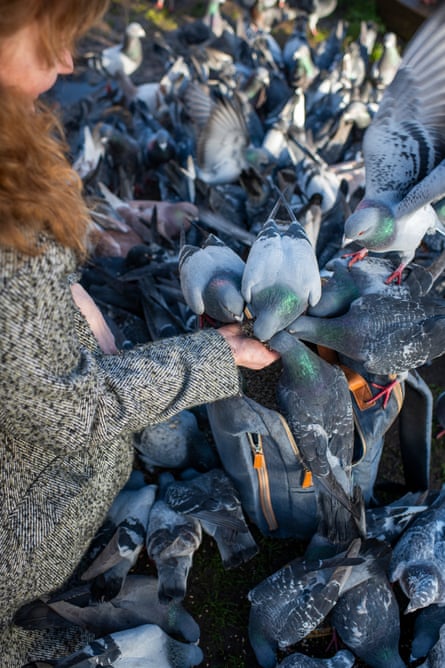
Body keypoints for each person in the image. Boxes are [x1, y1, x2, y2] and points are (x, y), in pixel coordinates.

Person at [0, 1, 279, 665]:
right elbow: (68, 409)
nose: (67, 62)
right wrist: (218, 355)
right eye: (48, 36)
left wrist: (118, 225)